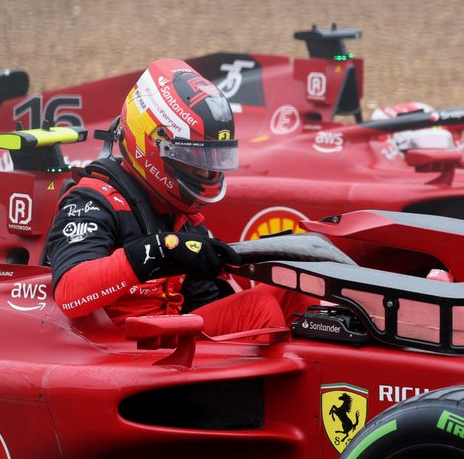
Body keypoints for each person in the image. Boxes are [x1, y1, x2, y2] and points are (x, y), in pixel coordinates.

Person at [46, 60, 308, 337]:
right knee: (257, 307)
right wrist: (160, 249)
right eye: (195, 159)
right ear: (153, 144)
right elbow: (69, 294)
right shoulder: (94, 202)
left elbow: (204, 303)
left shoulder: (183, 216)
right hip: (121, 347)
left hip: (173, 341)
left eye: (212, 160)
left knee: (296, 284)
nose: (207, 172)